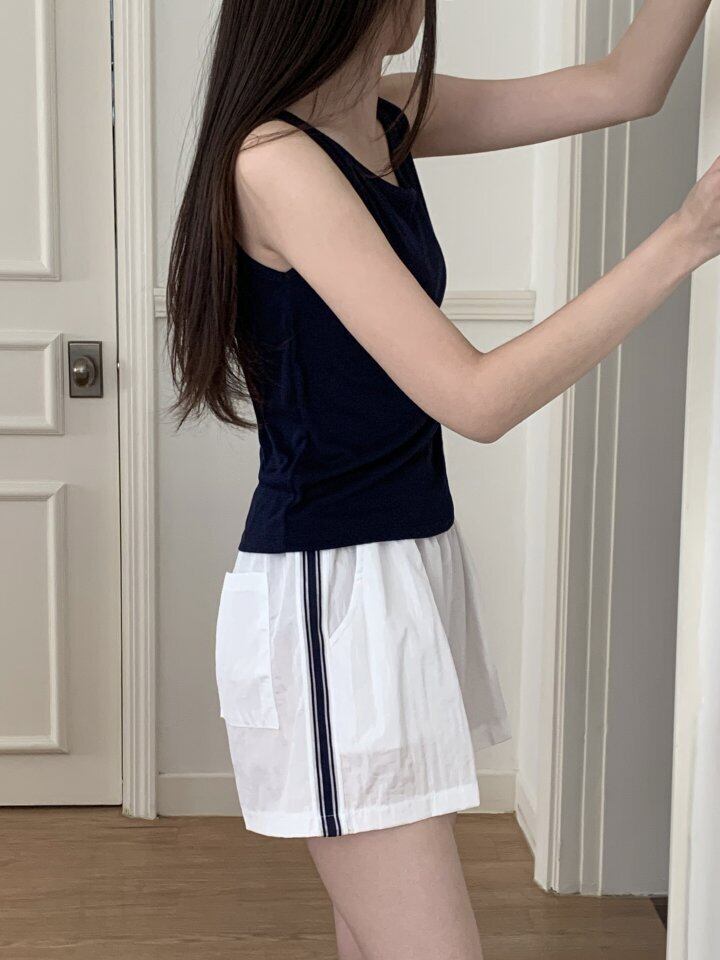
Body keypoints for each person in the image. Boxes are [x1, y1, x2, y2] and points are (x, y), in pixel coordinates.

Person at [166, 1, 718, 957]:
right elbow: (475, 397)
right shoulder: (275, 161)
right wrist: (684, 238)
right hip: (333, 596)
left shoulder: (381, 112)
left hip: (402, 566)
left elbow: (624, 85)